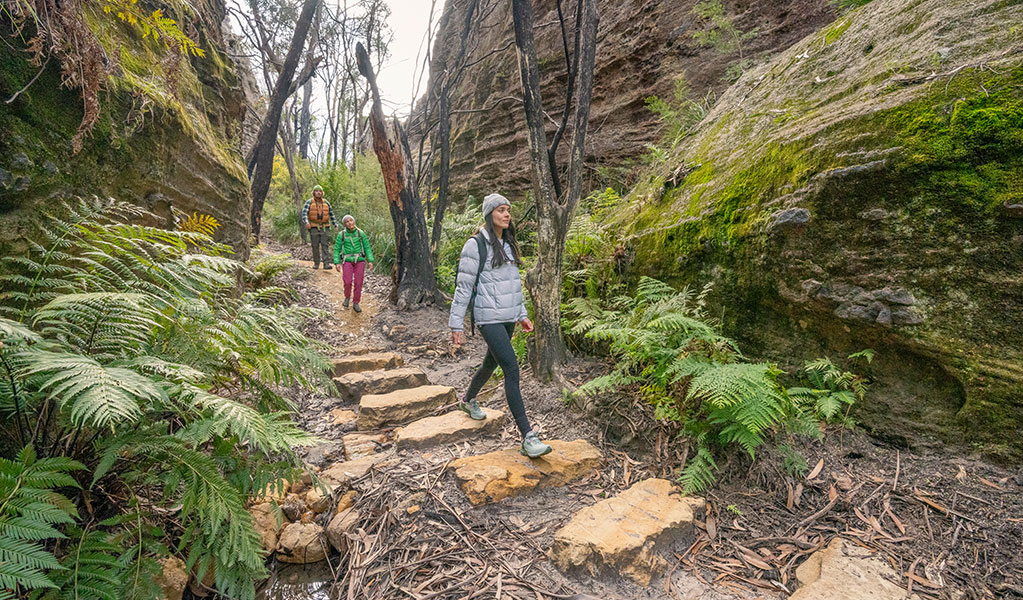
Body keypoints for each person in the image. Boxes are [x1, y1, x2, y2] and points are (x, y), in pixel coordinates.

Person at [449, 193, 552, 458]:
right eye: (501, 210)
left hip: (507, 316)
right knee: (511, 369)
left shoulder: (507, 243)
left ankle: (468, 400)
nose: (506, 215)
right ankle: (528, 437)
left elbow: (512, 285)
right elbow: (463, 287)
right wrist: (456, 324)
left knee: (490, 364)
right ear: (488, 214)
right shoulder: (475, 245)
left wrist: (521, 313)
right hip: (488, 318)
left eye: (508, 210)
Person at [333, 215, 374, 313]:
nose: (350, 223)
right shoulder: (342, 234)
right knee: (347, 281)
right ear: (345, 224)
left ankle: (356, 302)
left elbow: (367, 247)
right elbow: (337, 249)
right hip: (347, 260)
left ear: (354, 221)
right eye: (347, 222)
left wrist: (370, 260)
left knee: (358, 283)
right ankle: (347, 297)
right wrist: (337, 262)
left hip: (359, 260)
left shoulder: (360, 233)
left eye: (351, 220)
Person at [300, 185, 337, 270]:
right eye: (316, 191)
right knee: (315, 245)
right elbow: (304, 213)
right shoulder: (309, 202)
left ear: (322, 193)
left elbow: (331, 214)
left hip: (325, 227)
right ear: (314, 192)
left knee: (325, 245)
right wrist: (306, 222)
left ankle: (326, 264)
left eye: (320, 191)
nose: (318, 192)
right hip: (313, 227)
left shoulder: (326, 202)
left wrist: (335, 224)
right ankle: (316, 263)